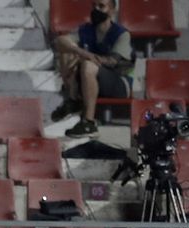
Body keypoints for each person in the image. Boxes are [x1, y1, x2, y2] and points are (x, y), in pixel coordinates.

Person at [51, 0, 134, 138]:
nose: (96, 9)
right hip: (92, 79)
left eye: (101, 6)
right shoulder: (86, 29)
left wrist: (83, 58)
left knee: (88, 65)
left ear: (112, 10)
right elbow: (60, 41)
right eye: (94, 5)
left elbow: (111, 62)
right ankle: (73, 100)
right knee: (67, 50)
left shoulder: (121, 34)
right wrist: (82, 53)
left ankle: (89, 122)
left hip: (118, 83)